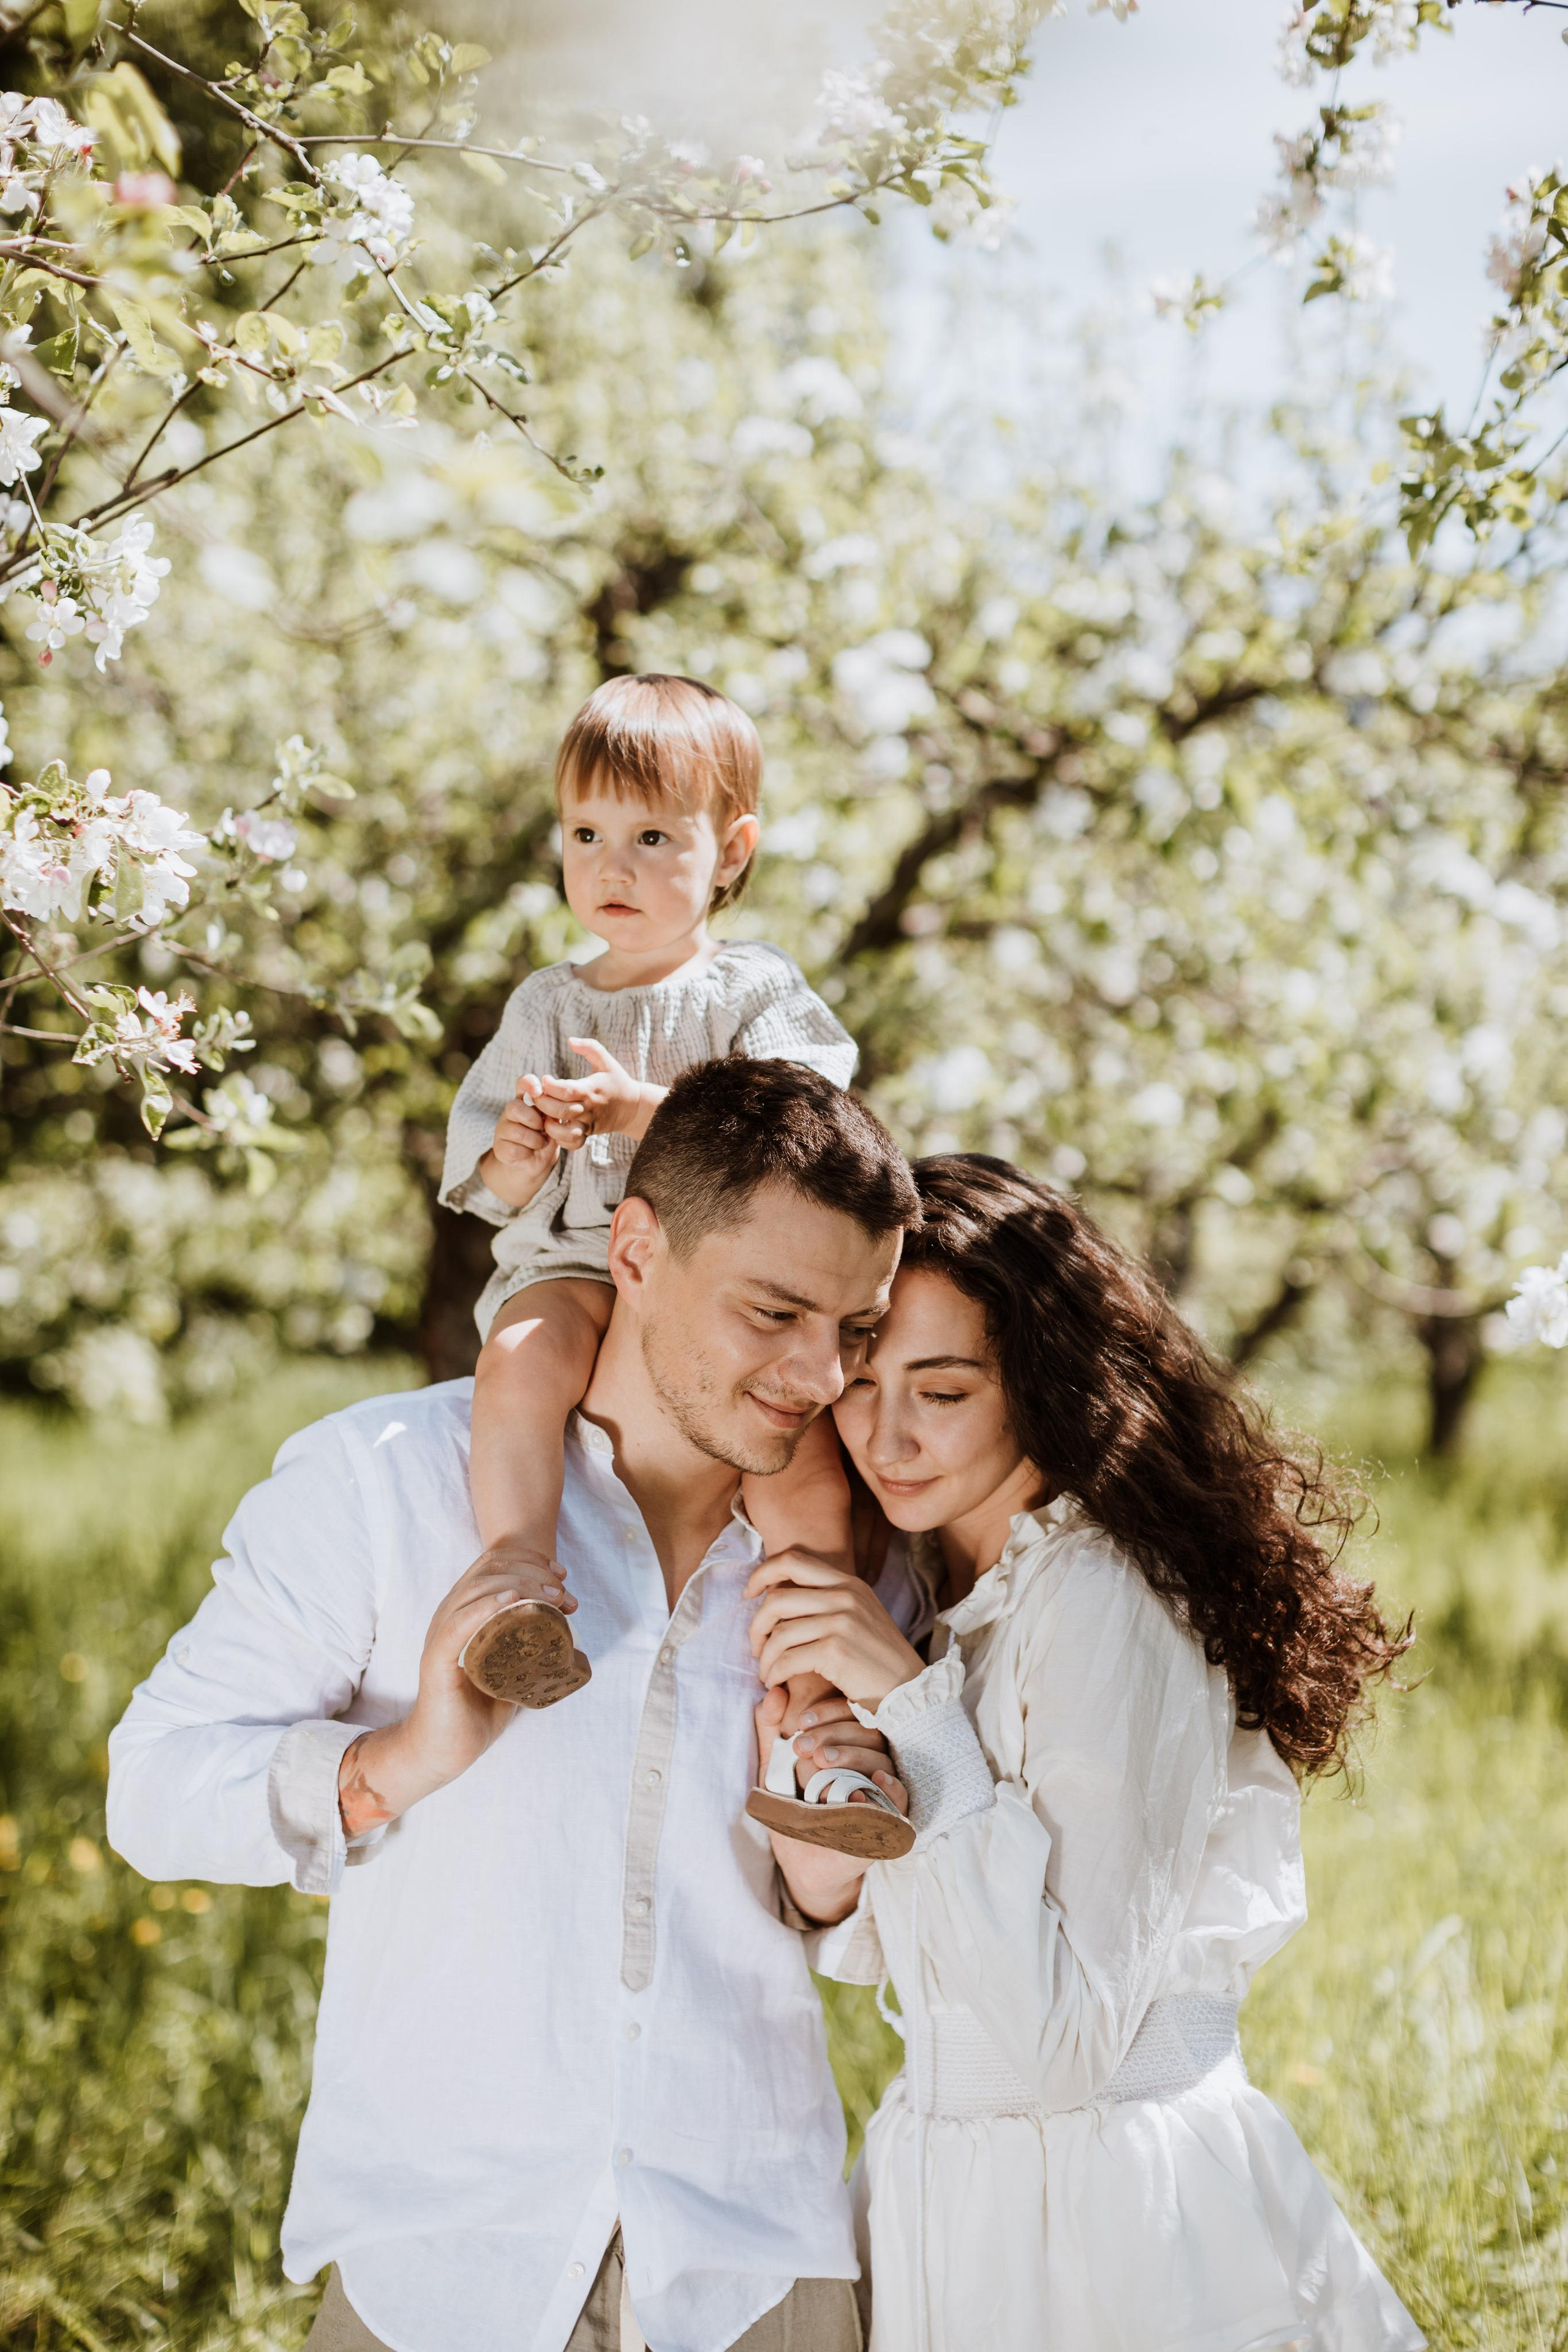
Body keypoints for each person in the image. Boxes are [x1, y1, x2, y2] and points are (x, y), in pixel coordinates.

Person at [107, 1060, 920, 2352]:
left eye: (856, 1328)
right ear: (635, 1251)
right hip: (444, 2271)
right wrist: (400, 1760)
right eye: (773, 1312)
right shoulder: (381, 1486)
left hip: (754, 2270)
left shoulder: (865, 1571)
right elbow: (152, 1793)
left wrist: (838, 1877)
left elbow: (876, 1928)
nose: (823, 1374)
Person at [745, 1154, 1426, 2352]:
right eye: (859, 1384)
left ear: (1041, 1381)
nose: (886, 1436)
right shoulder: (940, 1593)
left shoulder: (1103, 1596)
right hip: (946, 2196)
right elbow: (894, 1949)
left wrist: (913, 1709)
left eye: (941, 1391)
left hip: (1111, 2228)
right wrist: (824, 1802)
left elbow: (1061, 2041)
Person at [439, 674, 866, 1789]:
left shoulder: (751, 988)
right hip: (579, 1258)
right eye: (585, 834)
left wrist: (649, 1110)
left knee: (798, 1467)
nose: (611, 868)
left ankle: (819, 1695)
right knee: (521, 1358)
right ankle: (520, 1578)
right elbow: (486, 1179)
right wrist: (518, 1150)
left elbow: (809, 1112)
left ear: (731, 852)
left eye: (651, 838)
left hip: (717, 1270)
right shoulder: (547, 1003)